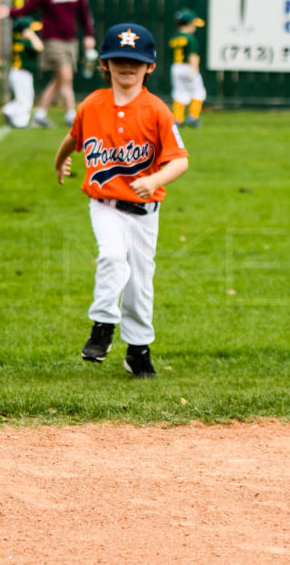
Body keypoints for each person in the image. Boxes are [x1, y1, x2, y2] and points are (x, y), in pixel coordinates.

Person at [52, 23, 189, 378]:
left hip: (145, 211)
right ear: (105, 64)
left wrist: (156, 179)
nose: (127, 66)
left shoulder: (157, 110)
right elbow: (74, 137)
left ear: (150, 66)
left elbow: (180, 160)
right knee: (112, 257)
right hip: (105, 205)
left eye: (135, 60)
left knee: (140, 284)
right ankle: (102, 325)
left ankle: (138, 351)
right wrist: (59, 159)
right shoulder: (93, 104)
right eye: (119, 59)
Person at [0, 0, 95, 128]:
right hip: (53, 41)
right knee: (66, 75)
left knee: (60, 79)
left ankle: (40, 113)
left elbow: (84, 14)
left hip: (71, 41)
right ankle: (70, 114)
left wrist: (89, 35)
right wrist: (8, 12)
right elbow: (28, 8)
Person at [2, 16, 44, 129]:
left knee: (22, 98)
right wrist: (31, 36)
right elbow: (40, 47)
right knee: (26, 100)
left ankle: (9, 110)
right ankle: (21, 122)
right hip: (22, 73)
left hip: (17, 72)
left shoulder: (18, 41)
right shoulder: (25, 42)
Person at [168, 8, 207, 128]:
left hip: (176, 67)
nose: (194, 27)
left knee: (179, 93)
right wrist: (195, 70)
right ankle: (193, 117)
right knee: (198, 92)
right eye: (193, 24)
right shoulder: (190, 38)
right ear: (188, 24)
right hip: (188, 67)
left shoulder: (175, 37)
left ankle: (178, 119)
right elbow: (193, 56)